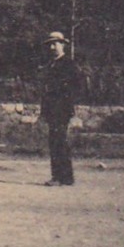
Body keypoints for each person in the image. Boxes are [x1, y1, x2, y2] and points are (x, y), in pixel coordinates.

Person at [41, 31, 81, 186]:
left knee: (60, 142)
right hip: (52, 110)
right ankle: (60, 176)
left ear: (62, 44)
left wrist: (67, 106)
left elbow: (75, 87)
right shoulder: (51, 64)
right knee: (54, 141)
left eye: (55, 43)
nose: (52, 47)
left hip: (62, 109)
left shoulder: (68, 64)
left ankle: (63, 177)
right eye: (50, 44)